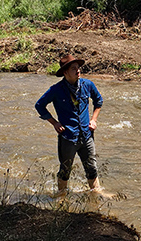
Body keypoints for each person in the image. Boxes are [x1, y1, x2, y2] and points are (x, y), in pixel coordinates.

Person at [35, 54, 104, 197]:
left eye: (78, 68)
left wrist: (94, 119)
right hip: (68, 136)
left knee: (92, 167)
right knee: (65, 169)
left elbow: (98, 101)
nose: (78, 71)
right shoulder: (56, 90)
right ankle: (61, 196)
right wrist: (54, 123)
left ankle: (96, 194)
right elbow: (39, 105)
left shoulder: (88, 85)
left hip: (86, 135)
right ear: (65, 72)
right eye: (74, 68)